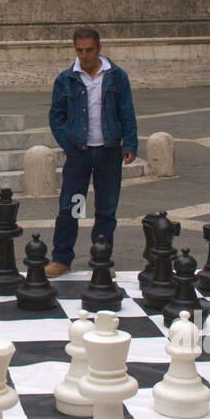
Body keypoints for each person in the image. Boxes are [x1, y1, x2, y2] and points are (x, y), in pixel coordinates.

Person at [46, 26, 138, 276]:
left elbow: (126, 112)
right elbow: (56, 116)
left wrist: (130, 144)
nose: (84, 55)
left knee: (106, 208)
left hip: (109, 152)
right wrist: (69, 143)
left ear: (99, 48)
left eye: (89, 50)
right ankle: (62, 257)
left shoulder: (116, 76)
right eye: (79, 50)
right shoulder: (66, 79)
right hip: (80, 153)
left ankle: (102, 258)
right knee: (72, 206)